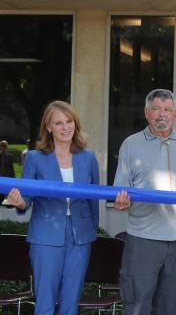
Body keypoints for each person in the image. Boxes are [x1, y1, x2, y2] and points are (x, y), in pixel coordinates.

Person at [5, 101, 100, 315]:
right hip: (45, 236)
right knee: (45, 302)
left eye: (69, 122)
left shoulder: (89, 157)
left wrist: (91, 232)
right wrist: (19, 201)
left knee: (70, 302)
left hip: (81, 237)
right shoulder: (35, 159)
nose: (65, 127)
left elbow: (93, 201)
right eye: (59, 123)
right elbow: (26, 199)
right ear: (48, 127)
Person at [113, 89, 176, 315]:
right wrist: (121, 201)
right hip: (143, 240)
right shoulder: (130, 144)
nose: (162, 114)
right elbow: (119, 191)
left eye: (167, 109)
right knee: (137, 305)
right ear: (146, 113)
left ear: (175, 114)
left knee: (172, 306)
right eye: (156, 109)